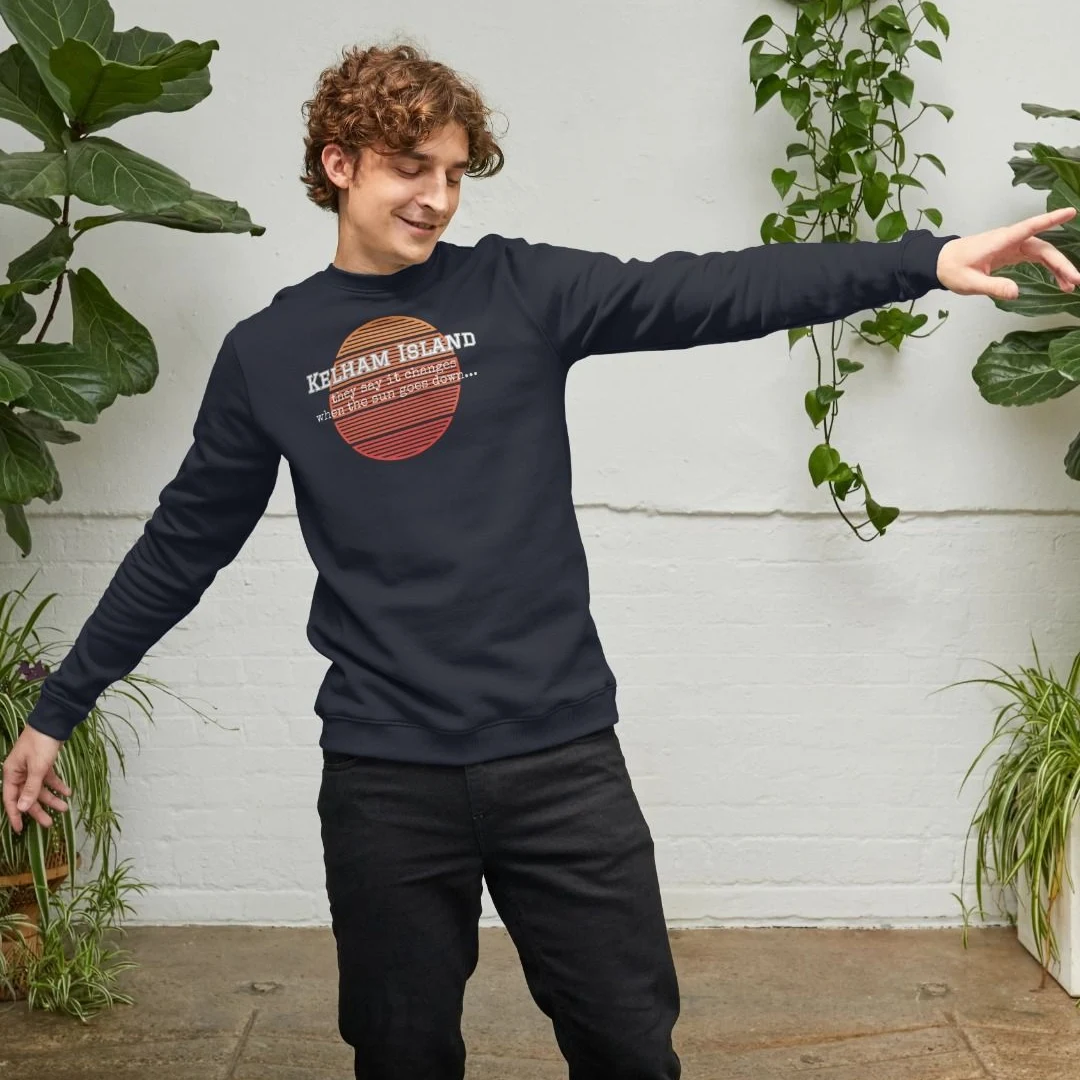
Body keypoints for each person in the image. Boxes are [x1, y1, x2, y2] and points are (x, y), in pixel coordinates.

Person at [3, 39, 1079, 1080]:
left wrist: (921, 261)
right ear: (340, 164)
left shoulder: (516, 290)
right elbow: (183, 545)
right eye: (410, 167)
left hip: (561, 758)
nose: (437, 197)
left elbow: (712, 289)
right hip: (386, 774)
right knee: (402, 1056)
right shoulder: (269, 354)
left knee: (628, 1049)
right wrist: (58, 708)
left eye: (454, 173)